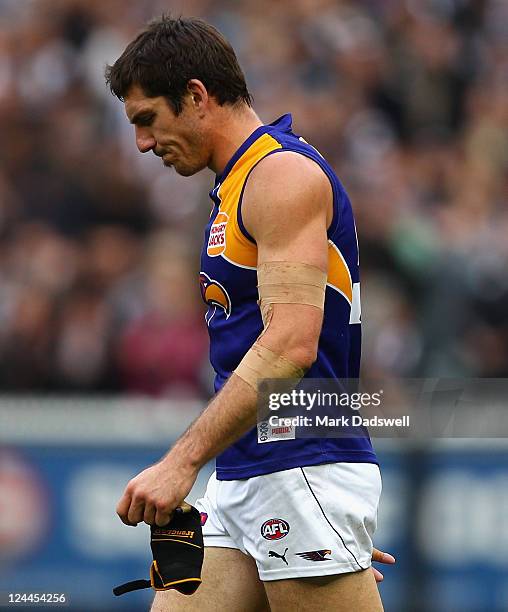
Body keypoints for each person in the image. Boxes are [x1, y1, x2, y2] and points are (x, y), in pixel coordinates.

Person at [106, 15, 394, 611]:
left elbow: (291, 346)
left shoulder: (280, 176)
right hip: (247, 471)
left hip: (300, 462)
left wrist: (181, 462)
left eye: (147, 120)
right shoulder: (240, 184)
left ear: (196, 95)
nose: (141, 142)